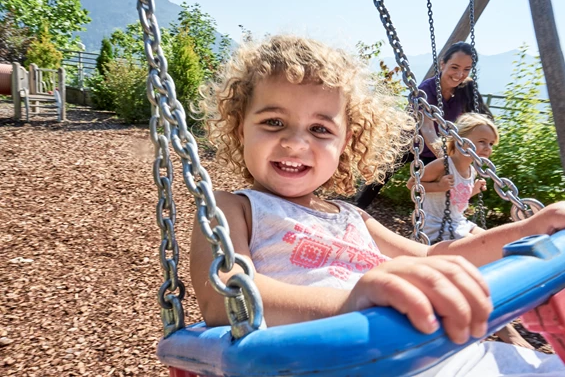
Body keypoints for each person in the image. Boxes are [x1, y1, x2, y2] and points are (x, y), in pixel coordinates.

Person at [190, 35, 565, 375]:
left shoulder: (354, 217)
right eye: (274, 122)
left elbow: (435, 256)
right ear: (241, 128)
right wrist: (351, 304)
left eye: (320, 129)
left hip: (436, 355)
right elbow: (226, 296)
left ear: (345, 141)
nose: (295, 143)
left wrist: (528, 230)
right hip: (325, 363)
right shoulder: (232, 208)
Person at [406, 112, 533, 349]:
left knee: (497, 247)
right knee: (477, 260)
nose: (486, 148)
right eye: (481, 141)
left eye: (490, 144)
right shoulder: (443, 164)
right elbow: (412, 185)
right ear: (460, 138)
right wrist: (438, 185)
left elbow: (456, 199)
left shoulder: (472, 169)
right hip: (436, 228)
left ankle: (497, 299)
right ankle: (502, 327)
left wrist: (473, 190)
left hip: (458, 222)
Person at [356, 41, 493, 210]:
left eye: (466, 69)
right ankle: (359, 209)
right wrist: (447, 157)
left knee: (444, 184)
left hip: (435, 149)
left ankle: (441, 221)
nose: (459, 74)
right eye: (455, 67)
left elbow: (483, 119)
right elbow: (427, 129)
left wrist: (476, 148)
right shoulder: (424, 91)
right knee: (381, 177)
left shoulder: (465, 89)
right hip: (408, 142)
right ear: (442, 64)